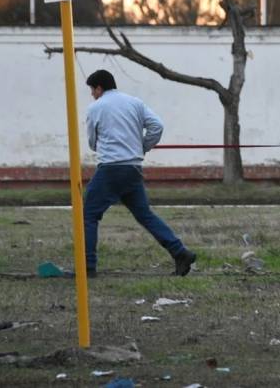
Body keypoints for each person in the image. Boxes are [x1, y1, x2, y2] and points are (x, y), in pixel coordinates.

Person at [83, 69, 196, 277]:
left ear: (99, 88)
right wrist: (142, 147)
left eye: (92, 90)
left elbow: (92, 143)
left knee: (88, 215)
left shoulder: (95, 108)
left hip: (111, 169)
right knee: (145, 215)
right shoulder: (134, 102)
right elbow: (157, 126)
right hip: (133, 168)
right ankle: (180, 252)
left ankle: (87, 267)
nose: (92, 94)